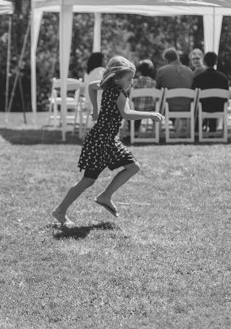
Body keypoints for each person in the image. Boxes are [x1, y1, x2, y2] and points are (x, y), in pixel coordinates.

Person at [52, 56, 164, 230]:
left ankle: (105, 196)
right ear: (117, 77)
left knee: (132, 167)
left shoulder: (108, 86)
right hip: (101, 139)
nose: (131, 82)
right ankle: (61, 211)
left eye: (132, 78)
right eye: (129, 79)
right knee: (88, 180)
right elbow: (126, 114)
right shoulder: (118, 92)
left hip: (107, 138)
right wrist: (150, 114)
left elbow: (90, 86)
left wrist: (96, 110)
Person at [192, 51, 230, 132]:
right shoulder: (223, 78)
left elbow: (194, 94)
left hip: (203, 107)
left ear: (204, 62)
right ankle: (212, 129)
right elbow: (227, 95)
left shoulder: (199, 78)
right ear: (216, 62)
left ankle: (197, 130)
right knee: (214, 102)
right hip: (219, 107)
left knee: (203, 103)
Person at [127, 59, 157, 138]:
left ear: (139, 71)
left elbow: (128, 92)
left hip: (135, 109)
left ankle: (132, 132)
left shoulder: (135, 82)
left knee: (129, 107)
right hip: (150, 109)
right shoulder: (153, 83)